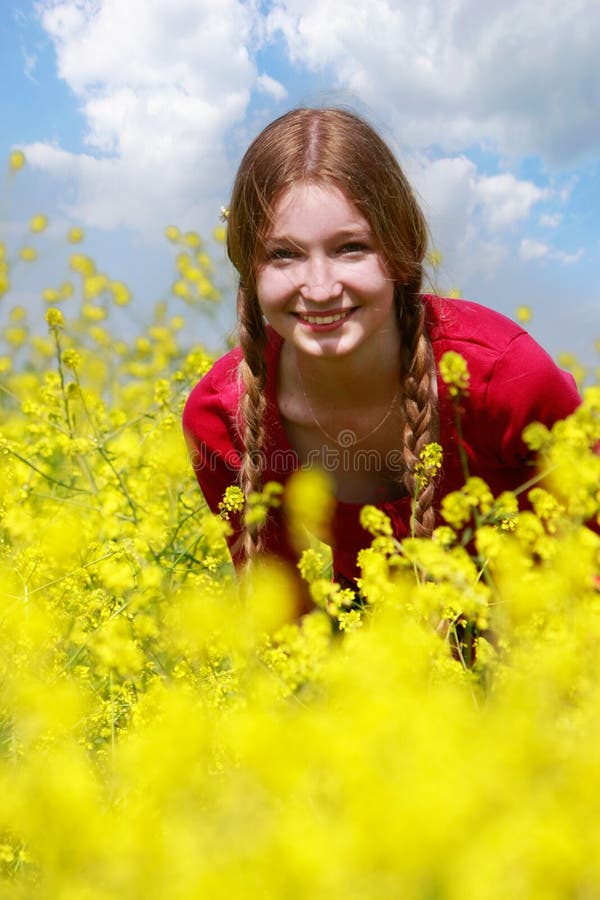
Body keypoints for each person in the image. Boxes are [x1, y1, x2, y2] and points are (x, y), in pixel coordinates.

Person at [183, 107, 580, 615]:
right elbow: (284, 631)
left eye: (351, 248)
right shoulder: (223, 418)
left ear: (399, 251)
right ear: (248, 269)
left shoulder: (502, 377)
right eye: (283, 254)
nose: (321, 287)